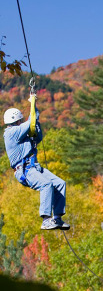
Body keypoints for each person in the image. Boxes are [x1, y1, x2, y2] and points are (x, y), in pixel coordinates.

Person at [3, 96, 70, 230]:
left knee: (60, 183)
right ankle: (46, 220)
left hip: (34, 167)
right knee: (46, 184)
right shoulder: (11, 133)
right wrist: (33, 103)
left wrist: (35, 109)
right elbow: (31, 122)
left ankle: (57, 218)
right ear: (17, 121)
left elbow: (36, 131)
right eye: (20, 120)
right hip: (25, 170)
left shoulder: (23, 135)